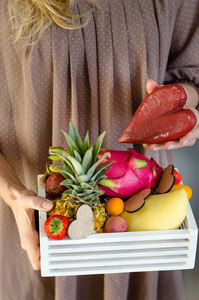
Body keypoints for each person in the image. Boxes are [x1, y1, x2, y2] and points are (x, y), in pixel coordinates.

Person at [0, 0, 199, 299]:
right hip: (33, 216)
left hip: (146, 220)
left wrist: (187, 110)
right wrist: (12, 194)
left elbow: (190, 77)